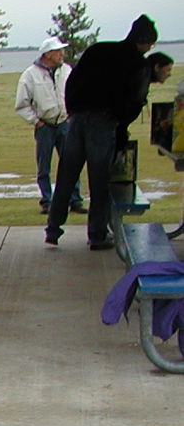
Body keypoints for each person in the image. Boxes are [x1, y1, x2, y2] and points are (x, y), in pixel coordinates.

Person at [46, 14, 157, 250]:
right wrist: (121, 124)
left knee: (66, 176)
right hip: (104, 122)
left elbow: (73, 81)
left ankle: (53, 229)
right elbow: (135, 100)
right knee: (100, 182)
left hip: (77, 119)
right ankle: (96, 235)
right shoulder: (138, 63)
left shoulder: (98, 50)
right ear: (145, 41)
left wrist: (73, 110)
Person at [13, 36, 84, 215]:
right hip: (45, 126)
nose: (62, 54)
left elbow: (75, 93)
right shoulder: (30, 75)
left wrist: (71, 116)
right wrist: (36, 122)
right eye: (58, 51)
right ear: (48, 54)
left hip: (64, 123)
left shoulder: (67, 70)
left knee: (71, 162)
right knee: (44, 165)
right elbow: (22, 103)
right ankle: (47, 200)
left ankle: (74, 199)